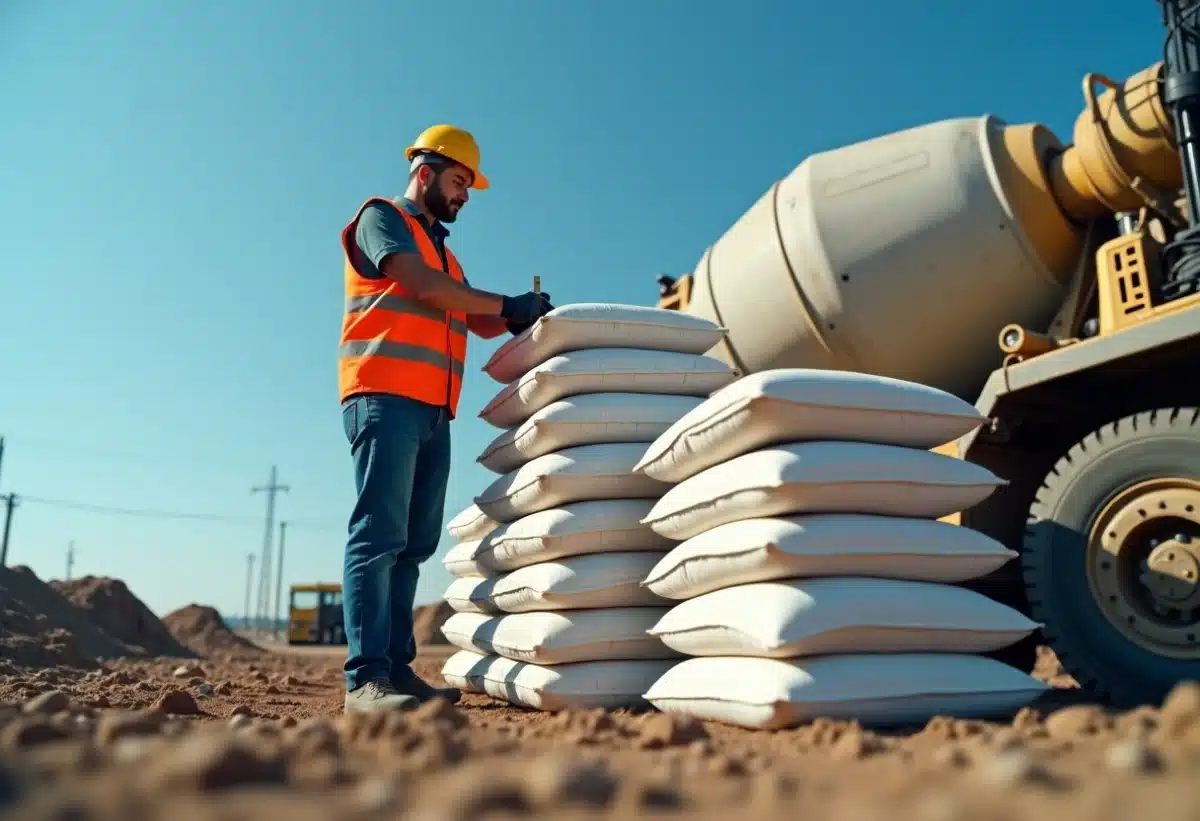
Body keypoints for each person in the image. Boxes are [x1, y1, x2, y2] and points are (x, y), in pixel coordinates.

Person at [337, 124, 553, 713]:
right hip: (384, 394)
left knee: (413, 544)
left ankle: (396, 670)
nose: (463, 196)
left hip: (433, 410)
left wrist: (516, 314)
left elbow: (469, 313)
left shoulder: (445, 254)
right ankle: (364, 680)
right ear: (425, 172)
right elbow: (421, 287)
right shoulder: (383, 219)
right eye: (459, 181)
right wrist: (503, 306)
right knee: (378, 536)